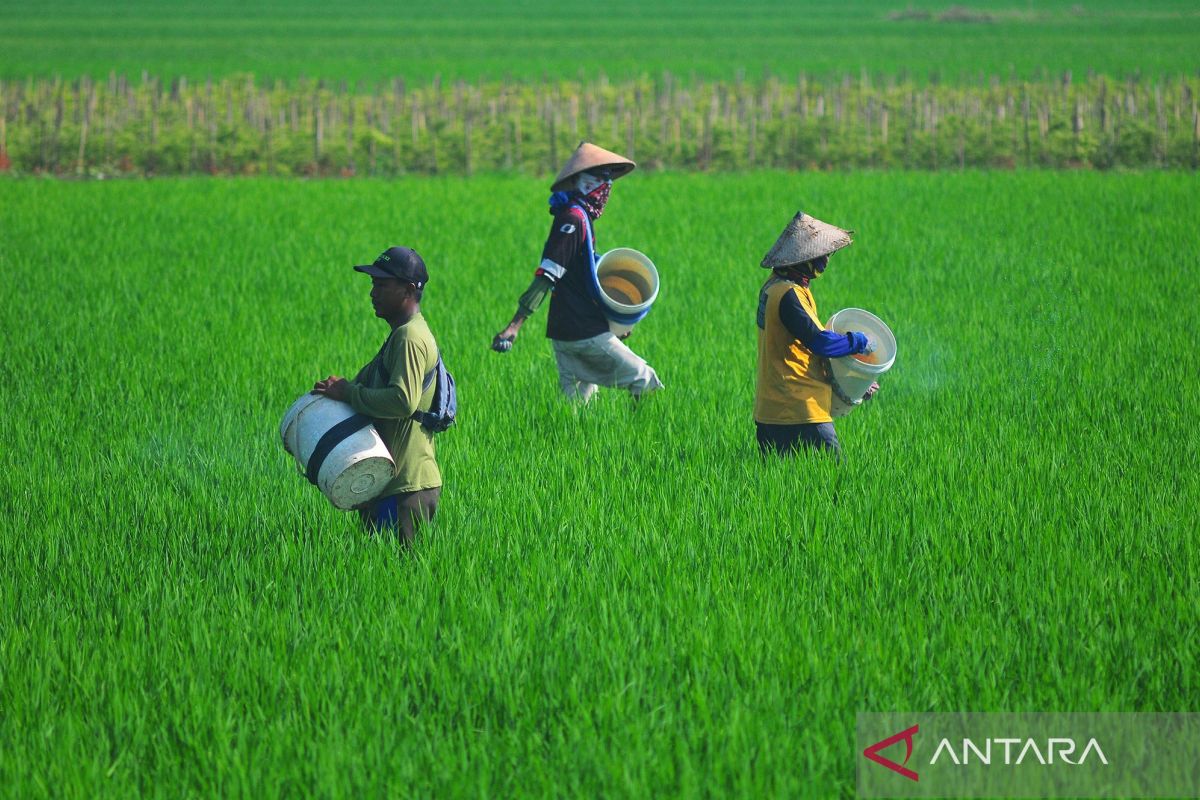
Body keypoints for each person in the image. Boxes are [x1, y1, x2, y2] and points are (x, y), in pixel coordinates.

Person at [490, 141, 663, 402]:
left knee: (576, 416)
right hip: (582, 331)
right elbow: (548, 275)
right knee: (644, 379)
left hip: (566, 331)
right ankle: (648, 436)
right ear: (585, 183)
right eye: (602, 180)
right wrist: (514, 326)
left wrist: (614, 324)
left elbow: (581, 281)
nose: (606, 189)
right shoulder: (573, 220)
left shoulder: (578, 217)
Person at [313, 246, 442, 542]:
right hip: (389, 485)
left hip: (405, 488)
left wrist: (348, 392)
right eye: (373, 284)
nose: (373, 292)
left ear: (409, 290)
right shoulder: (402, 334)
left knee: (400, 581)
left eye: (382, 285)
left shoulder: (409, 337)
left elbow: (402, 401)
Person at [754, 212, 879, 459]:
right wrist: (858, 342)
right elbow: (821, 343)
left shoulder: (774, 286)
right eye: (821, 255)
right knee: (835, 487)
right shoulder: (789, 294)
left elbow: (803, 353)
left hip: (772, 412)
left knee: (787, 492)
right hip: (799, 411)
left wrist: (855, 385)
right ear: (804, 258)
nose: (825, 261)